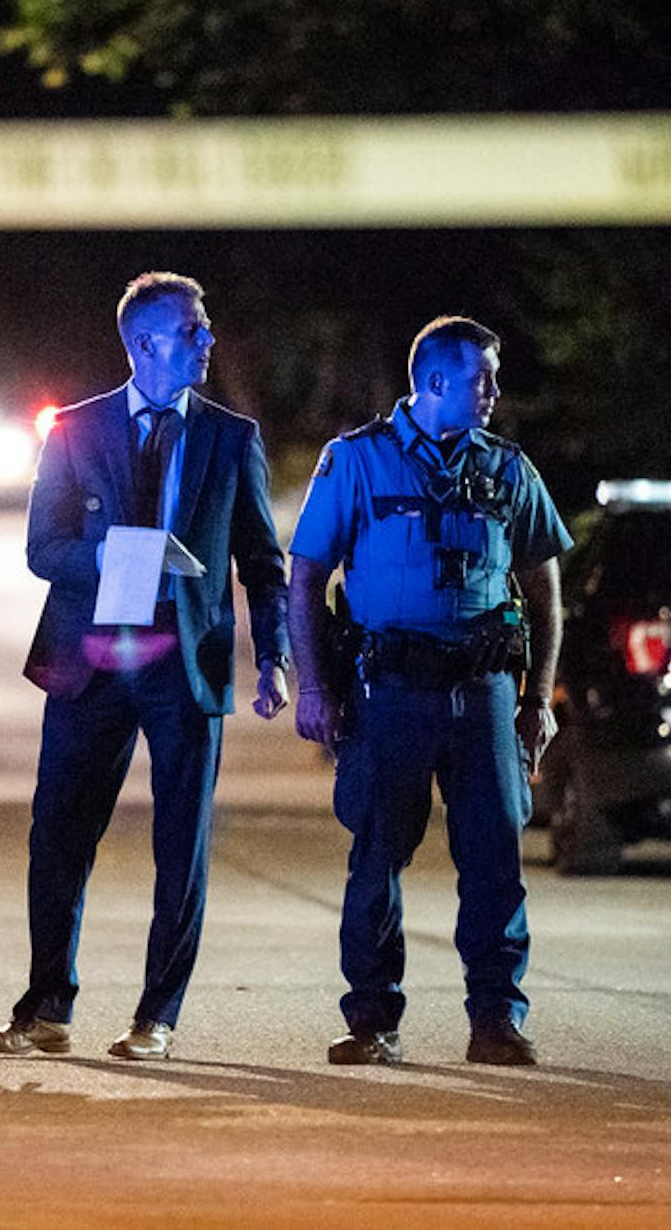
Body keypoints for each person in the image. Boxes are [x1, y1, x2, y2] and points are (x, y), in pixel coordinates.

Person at [0, 273, 290, 1063]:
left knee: (181, 844)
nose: (207, 340)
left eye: (206, 326)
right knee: (57, 835)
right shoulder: (75, 431)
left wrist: (276, 656)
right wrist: (111, 552)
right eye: (192, 330)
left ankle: (157, 1015)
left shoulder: (230, 437)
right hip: (91, 657)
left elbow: (262, 560)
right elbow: (42, 548)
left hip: (184, 660)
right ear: (143, 344)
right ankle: (46, 1006)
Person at [287, 315, 571, 1068]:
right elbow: (307, 575)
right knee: (376, 858)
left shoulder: (509, 469)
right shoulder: (356, 461)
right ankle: (372, 1019)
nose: (495, 392)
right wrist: (313, 684)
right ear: (436, 381)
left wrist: (538, 695)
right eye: (483, 378)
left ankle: (496, 1020)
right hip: (388, 692)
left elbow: (545, 587)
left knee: (495, 861)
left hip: (482, 694)